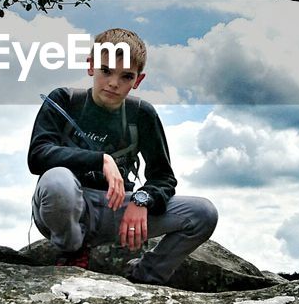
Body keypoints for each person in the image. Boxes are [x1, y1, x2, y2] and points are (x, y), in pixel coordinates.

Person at [28, 27, 218, 285]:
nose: (114, 83)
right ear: (91, 66)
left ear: (138, 80)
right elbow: (38, 156)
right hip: (65, 207)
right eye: (106, 70)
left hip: (115, 210)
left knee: (203, 213)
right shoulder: (65, 99)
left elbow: (163, 178)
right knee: (56, 180)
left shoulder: (142, 114)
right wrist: (101, 159)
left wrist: (142, 199)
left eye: (126, 76)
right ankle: (72, 251)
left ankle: (147, 274)